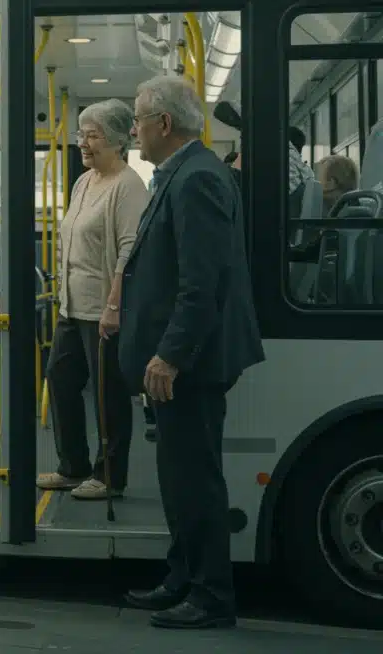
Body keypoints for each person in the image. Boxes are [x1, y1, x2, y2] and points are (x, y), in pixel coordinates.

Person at [121, 75, 264, 629]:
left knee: (196, 479)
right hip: (182, 359)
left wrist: (171, 355)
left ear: (163, 124)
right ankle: (181, 577)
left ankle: (210, 596)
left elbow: (202, 284)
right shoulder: (184, 173)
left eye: (137, 118)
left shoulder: (198, 179)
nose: (132, 129)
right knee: (179, 477)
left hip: (192, 362)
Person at [37, 99, 149, 501]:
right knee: (61, 380)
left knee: (108, 396)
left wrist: (114, 307)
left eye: (92, 135)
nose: (82, 142)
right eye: (80, 133)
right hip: (71, 306)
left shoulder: (128, 186)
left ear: (118, 140)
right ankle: (73, 466)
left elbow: (128, 252)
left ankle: (109, 475)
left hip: (103, 309)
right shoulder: (84, 182)